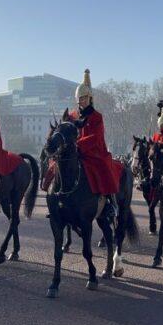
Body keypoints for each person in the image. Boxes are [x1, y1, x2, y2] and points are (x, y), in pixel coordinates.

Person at [68, 69, 123, 219]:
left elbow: (96, 137)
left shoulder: (97, 116)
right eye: (79, 98)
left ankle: (111, 203)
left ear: (90, 98)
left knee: (105, 167)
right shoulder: (72, 116)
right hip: (75, 152)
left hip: (93, 152)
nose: (81, 101)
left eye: (84, 98)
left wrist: (78, 144)